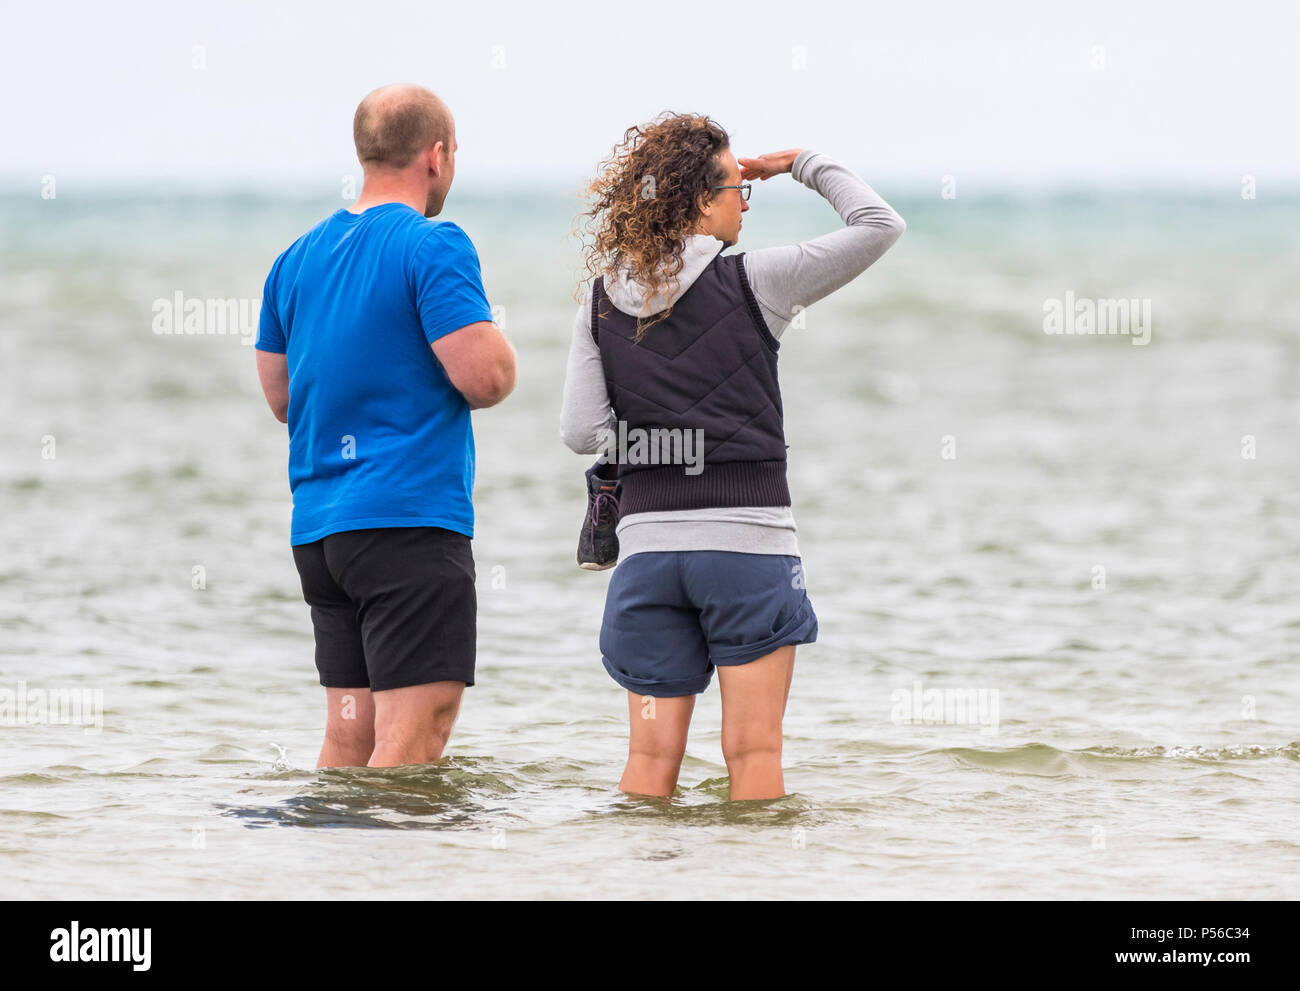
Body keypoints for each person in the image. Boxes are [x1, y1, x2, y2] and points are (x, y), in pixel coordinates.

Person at [560, 113, 905, 800]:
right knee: (753, 754)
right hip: (748, 553)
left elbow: (582, 431)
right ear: (697, 199)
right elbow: (878, 225)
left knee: (649, 766)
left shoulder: (600, 299)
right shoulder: (761, 280)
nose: (745, 199)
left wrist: (659, 437)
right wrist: (800, 163)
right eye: (737, 185)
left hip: (648, 561)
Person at [255, 84, 516, 769]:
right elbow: (483, 377)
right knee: (414, 736)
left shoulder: (294, 259)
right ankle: (398, 876)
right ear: (435, 157)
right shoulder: (434, 246)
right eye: (453, 151)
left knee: (351, 736)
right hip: (407, 525)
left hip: (322, 533)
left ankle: (339, 875)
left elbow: (281, 396)